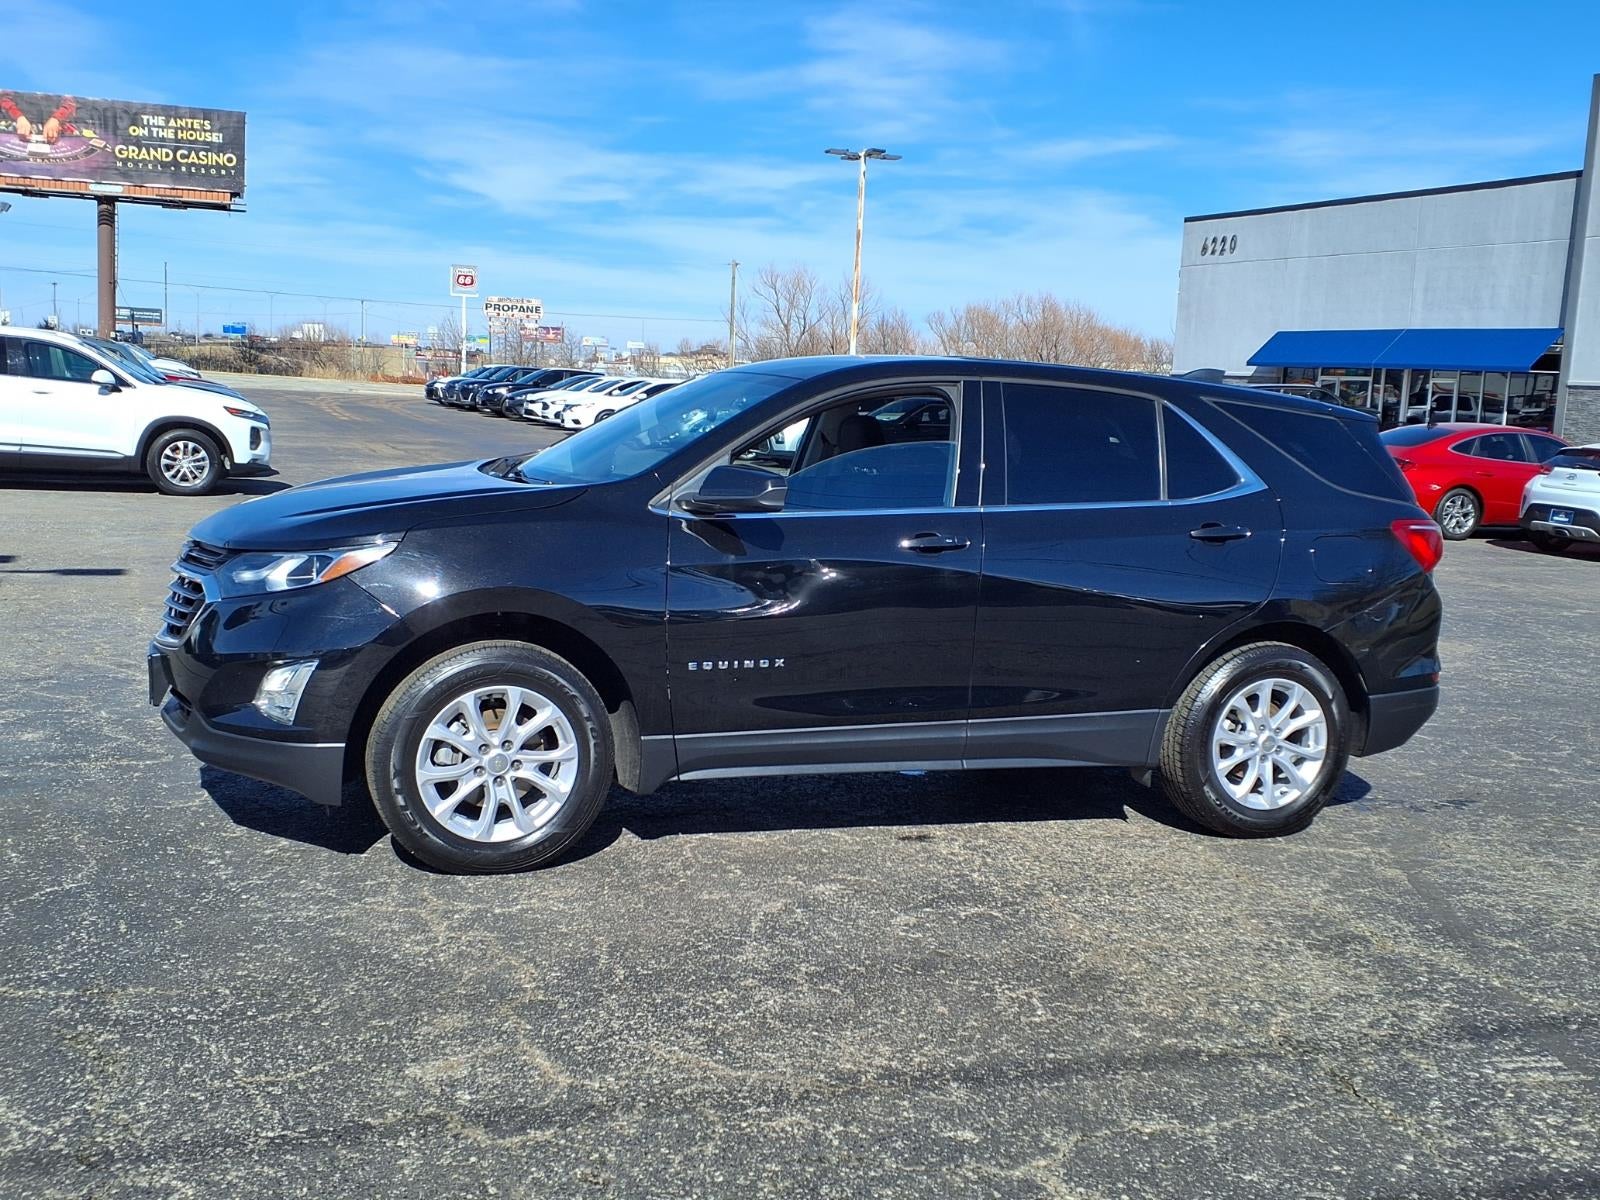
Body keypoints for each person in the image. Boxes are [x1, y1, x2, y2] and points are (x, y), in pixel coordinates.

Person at [0, 93, 77, 144]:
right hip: (19, 126)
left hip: (53, 130)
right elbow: (4, 98)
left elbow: (69, 103)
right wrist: (19, 117)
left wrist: (56, 119)